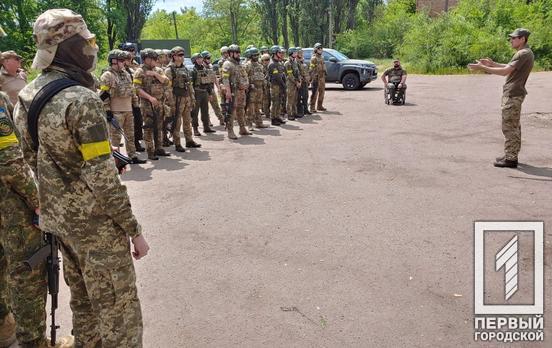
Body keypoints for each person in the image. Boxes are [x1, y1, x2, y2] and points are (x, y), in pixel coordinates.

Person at [13, 9, 149, 347]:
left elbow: (33, 160)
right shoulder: (81, 99)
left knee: (85, 301)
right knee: (119, 311)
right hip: (96, 226)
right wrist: (134, 230)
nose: (91, 47)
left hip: (61, 222)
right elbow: (102, 177)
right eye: (84, 41)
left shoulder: (27, 96)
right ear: (64, 46)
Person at [0, 91, 74, 348]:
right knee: (25, 275)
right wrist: (39, 202)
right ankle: (33, 342)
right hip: (10, 208)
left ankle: (4, 328)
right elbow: (10, 162)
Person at [468, 28, 534, 168]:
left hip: (513, 94)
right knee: (514, 125)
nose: (511, 40)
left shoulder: (522, 53)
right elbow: (509, 67)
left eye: (514, 38)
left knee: (509, 126)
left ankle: (511, 158)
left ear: (522, 39)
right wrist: (492, 64)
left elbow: (505, 72)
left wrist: (482, 68)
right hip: (516, 93)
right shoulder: (526, 53)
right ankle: (511, 153)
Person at [99, 50, 146, 164]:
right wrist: (107, 111)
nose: (123, 63)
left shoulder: (126, 73)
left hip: (128, 110)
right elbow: (103, 96)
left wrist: (136, 106)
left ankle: (133, 156)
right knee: (115, 138)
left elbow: (132, 90)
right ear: (113, 61)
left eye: (123, 61)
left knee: (130, 135)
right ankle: (117, 160)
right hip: (116, 111)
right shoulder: (108, 76)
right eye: (121, 60)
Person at [134, 48, 171, 160]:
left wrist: (155, 74)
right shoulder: (139, 72)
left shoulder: (158, 70)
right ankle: (150, 151)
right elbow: (136, 89)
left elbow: (167, 82)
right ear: (147, 59)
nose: (156, 61)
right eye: (154, 59)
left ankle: (159, 148)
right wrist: (150, 98)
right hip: (147, 104)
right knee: (149, 127)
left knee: (159, 126)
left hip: (159, 103)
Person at [165, 46, 201, 152]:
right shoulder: (169, 69)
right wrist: (171, 102)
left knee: (187, 120)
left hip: (186, 97)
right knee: (177, 122)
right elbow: (168, 88)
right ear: (174, 56)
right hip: (176, 99)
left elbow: (189, 84)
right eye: (179, 55)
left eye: (182, 55)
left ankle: (189, 140)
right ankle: (177, 143)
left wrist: (192, 97)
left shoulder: (184, 68)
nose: (182, 57)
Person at [221, 44, 252, 138]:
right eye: (236, 52)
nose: (239, 54)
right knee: (231, 111)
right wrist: (228, 91)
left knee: (241, 110)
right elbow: (225, 79)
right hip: (233, 91)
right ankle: (230, 131)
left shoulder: (239, 64)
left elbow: (244, 75)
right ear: (231, 53)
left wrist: (246, 85)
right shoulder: (227, 64)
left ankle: (242, 128)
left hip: (241, 91)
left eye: (239, 52)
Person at [191, 53, 216, 136]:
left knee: (205, 111)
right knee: (195, 112)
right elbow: (190, 84)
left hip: (204, 92)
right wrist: (191, 95)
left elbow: (208, 82)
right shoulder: (193, 71)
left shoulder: (205, 69)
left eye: (201, 58)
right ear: (194, 60)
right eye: (198, 59)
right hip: (196, 92)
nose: (200, 60)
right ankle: (195, 129)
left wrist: (210, 93)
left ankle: (206, 127)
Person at [244, 47, 268, 130]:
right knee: (251, 107)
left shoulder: (260, 66)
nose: (257, 56)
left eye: (257, 55)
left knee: (258, 106)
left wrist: (264, 86)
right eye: (255, 55)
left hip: (260, 89)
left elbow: (263, 77)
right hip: (252, 89)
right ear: (250, 56)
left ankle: (259, 123)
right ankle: (249, 124)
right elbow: (244, 77)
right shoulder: (247, 65)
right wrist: (249, 85)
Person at [201, 51, 225, 126]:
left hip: (211, 89)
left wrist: (218, 88)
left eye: (210, 58)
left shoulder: (211, 66)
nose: (209, 59)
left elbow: (214, 78)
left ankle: (221, 119)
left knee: (216, 105)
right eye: (208, 58)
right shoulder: (201, 68)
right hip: (204, 90)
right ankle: (208, 121)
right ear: (204, 59)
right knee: (205, 107)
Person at [267, 45, 286, 126]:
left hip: (279, 85)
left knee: (279, 102)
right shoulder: (272, 64)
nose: (280, 54)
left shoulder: (278, 62)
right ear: (274, 53)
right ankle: (273, 118)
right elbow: (276, 77)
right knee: (275, 102)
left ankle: (277, 116)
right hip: (275, 86)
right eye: (279, 52)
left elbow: (282, 74)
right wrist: (283, 85)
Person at [309, 42, 327, 112]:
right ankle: (312, 107)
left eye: (321, 48)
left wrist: (325, 72)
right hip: (316, 78)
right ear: (316, 49)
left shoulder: (322, 58)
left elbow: (324, 65)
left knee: (322, 92)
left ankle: (319, 106)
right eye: (319, 48)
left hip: (322, 78)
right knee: (315, 93)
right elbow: (311, 69)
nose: (321, 50)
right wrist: (312, 78)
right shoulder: (314, 58)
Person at [284, 47, 301, 120]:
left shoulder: (295, 62)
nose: (296, 53)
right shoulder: (288, 63)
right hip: (290, 83)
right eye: (295, 52)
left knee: (295, 99)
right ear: (291, 53)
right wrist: (296, 82)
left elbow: (298, 72)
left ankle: (294, 112)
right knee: (290, 99)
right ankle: (289, 114)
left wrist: (299, 80)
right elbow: (289, 75)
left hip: (295, 83)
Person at [296, 47, 311, 117]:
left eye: (302, 53)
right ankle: (299, 110)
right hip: (300, 81)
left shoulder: (303, 61)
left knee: (306, 96)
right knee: (299, 96)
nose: (301, 54)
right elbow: (297, 72)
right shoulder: (296, 62)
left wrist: (308, 79)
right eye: (299, 53)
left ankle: (306, 109)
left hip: (305, 81)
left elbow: (306, 71)